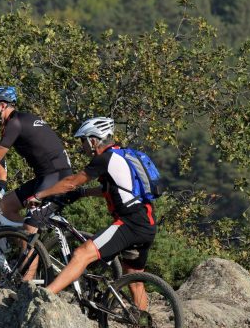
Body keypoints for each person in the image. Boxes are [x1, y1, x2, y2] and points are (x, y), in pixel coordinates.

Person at [29, 117, 157, 311]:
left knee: (81, 254)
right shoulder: (119, 155)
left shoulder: (104, 158)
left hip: (130, 224)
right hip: (146, 224)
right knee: (134, 281)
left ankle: (44, 297)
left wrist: (39, 195)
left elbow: (71, 181)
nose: (83, 146)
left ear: (93, 140)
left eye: (83, 140)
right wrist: (83, 193)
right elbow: (109, 189)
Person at [0, 86, 72, 224]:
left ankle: (32, 242)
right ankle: (27, 242)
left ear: (2, 106)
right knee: (6, 205)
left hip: (56, 176)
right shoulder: (19, 120)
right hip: (46, 176)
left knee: (31, 224)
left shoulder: (14, 124)